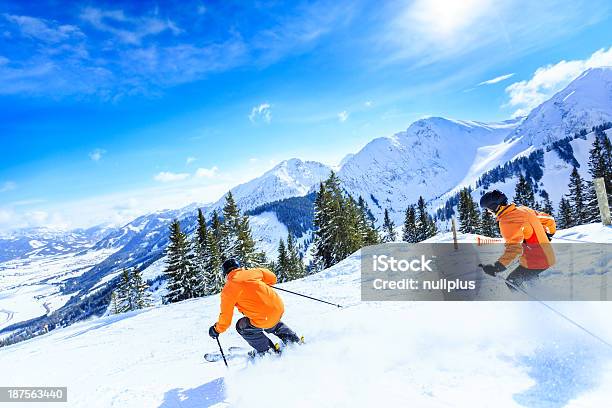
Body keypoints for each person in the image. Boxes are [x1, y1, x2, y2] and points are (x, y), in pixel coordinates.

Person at [208, 258, 302, 357]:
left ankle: (267, 350)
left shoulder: (227, 290)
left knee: (242, 326)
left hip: (263, 317)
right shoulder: (253, 272)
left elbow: (226, 319)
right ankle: (292, 339)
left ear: (226, 275)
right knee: (267, 318)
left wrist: (216, 329)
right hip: (278, 308)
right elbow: (273, 278)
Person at [478, 190, 556, 289]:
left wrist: (497, 267)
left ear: (495, 206)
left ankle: (528, 303)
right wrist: (549, 233)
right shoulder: (523, 210)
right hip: (547, 256)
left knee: (512, 282)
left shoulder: (507, 220)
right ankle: (542, 295)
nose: (488, 212)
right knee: (530, 279)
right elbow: (549, 220)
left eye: (488, 209)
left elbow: (514, 249)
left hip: (538, 260)